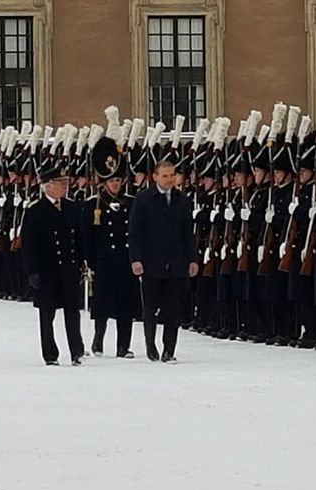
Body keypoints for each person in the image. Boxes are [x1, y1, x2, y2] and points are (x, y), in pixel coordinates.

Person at [128, 159, 198, 363]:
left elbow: (187, 233)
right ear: (155, 177)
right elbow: (135, 233)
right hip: (151, 261)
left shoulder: (182, 200)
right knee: (150, 307)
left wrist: (192, 259)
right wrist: (136, 259)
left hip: (176, 261)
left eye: (172, 175)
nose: (170, 179)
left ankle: (169, 349)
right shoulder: (143, 199)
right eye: (165, 175)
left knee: (173, 308)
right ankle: (151, 345)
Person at [21, 166, 86, 366]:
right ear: (48, 186)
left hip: (68, 268)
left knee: (72, 312)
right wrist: (32, 271)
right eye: (60, 184)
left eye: (65, 183)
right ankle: (50, 354)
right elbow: (29, 244)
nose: (64, 187)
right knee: (47, 314)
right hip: (47, 270)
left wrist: (83, 262)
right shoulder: (35, 210)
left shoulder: (72, 207)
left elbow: (79, 238)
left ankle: (77, 351)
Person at [83, 136, 140, 358]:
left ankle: (123, 346)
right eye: (112, 180)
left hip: (125, 261)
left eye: (118, 179)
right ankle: (98, 341)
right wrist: (90, 262)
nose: (116, 183)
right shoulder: (93, 205)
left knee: (126, 306)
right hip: (104, 261)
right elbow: (87, 237)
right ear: (104, 182)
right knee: (102, 305)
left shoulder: (131, 203)